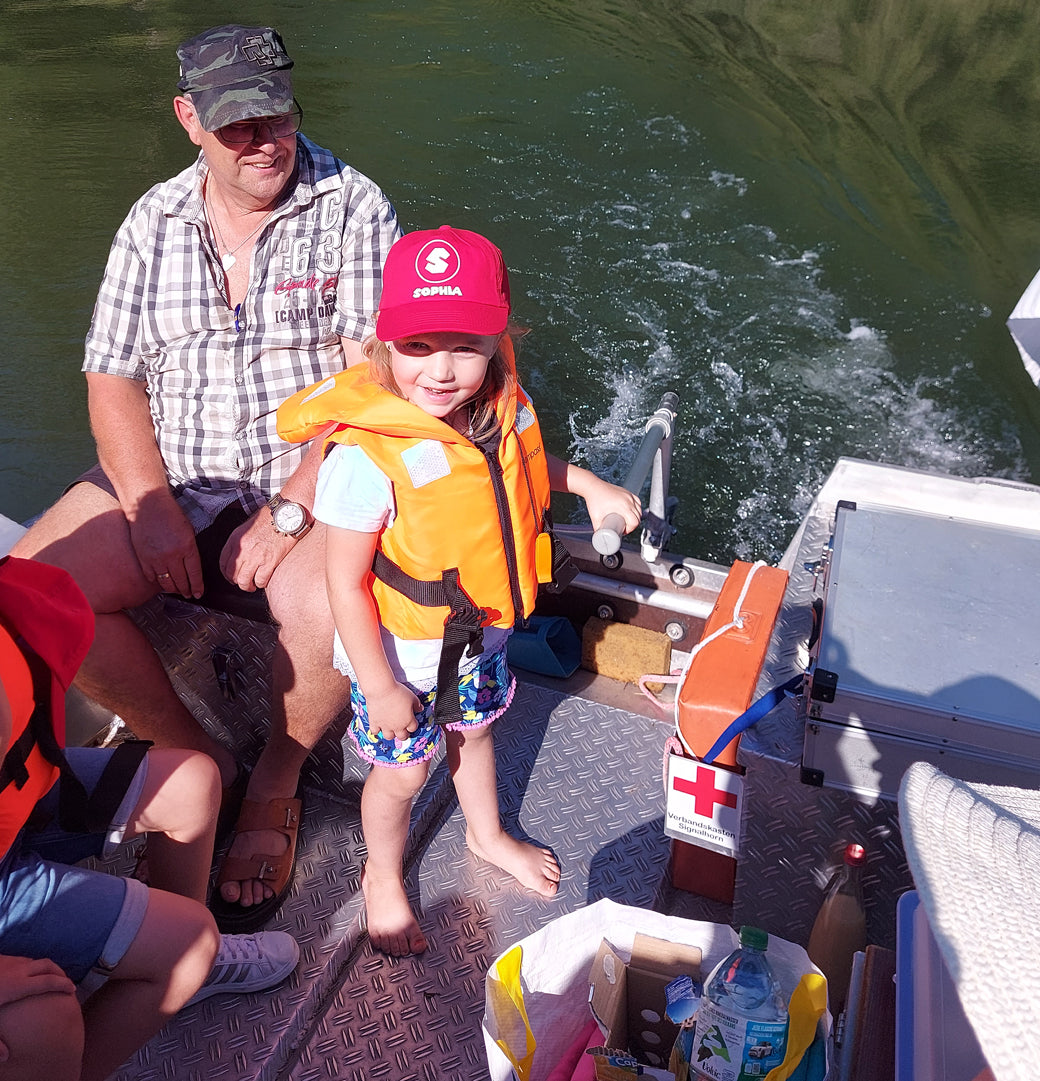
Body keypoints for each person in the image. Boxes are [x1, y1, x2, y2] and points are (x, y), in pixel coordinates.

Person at [10, 24, 402, 931]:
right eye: (237, 124)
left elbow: (372, 378)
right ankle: (190, 757)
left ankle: (272, 782)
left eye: (276, 112)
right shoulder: (153, 219)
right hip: (175, 470)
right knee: (28, 593)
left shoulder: (353, 205)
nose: (265, 137)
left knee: (327, 603)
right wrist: (148, 506)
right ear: (189, 120)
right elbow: (111, 375)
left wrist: (298, 505)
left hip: (306, 471)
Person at [276, 226, 643, 955]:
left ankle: (486, 833)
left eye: (465, 345)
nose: (441, 371)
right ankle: (382, 875)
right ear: (384, 343)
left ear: (497, 338)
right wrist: (379, 686)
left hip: (481, 637)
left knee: (473, 734)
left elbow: (529, 467)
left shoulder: (496, 407)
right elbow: (343, 580)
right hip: (401, 658)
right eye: (418, 347)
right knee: (403, 775)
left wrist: (593, 484)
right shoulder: (366, 454)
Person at [0, 554, 300, 1081]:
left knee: (193, 784)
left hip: (18, 803)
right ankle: (176, 960)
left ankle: (172, 958)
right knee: (43, 1018)